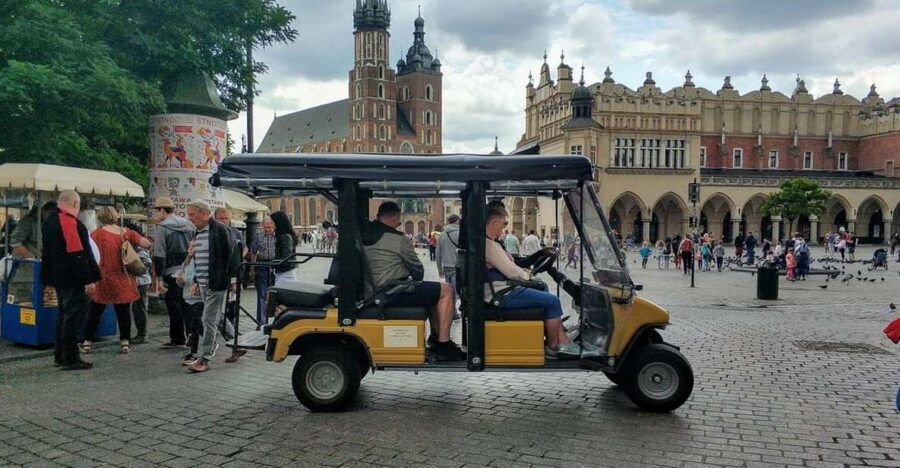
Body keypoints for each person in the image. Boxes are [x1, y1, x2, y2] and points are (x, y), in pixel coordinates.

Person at [362, 202, 464, 361]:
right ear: (394, 217)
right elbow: (417, 269)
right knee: (447, 290)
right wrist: (413, 277)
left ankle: (435, 337)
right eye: (398, 220)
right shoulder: (398, 238)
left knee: (432, 292)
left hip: (374, 289)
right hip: (392, 291)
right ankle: (443, 344)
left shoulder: (365, 235)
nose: (399, 224)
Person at [483, 205, 580, 358]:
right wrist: (528, 274)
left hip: (499, 288)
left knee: (542, 287)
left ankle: (559, 335)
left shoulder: (490, 242)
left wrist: (534, 264)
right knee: (553, 301)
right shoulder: (489, 245)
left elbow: (512, 266)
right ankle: (554, 346)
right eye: (504, 223)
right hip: (499, 293)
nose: (504, 227)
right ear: (495, 221)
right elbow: (512, 272)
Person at [41, 191, 101, 370]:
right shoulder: (67, 221)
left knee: (63, 316)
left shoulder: (50, 220)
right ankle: (71, 358)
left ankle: (60, 355)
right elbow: (76, 252)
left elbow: (48, 254)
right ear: (75, 204)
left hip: (60, 278)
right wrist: (88, 279)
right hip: (73, 279)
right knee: (73, 318)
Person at [81, 206, 151, 355]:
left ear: (100, 218)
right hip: (124, 278)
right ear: (116, 216)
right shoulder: (126, 232)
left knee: (95, 311)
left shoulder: (97, 234)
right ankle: (125, 342)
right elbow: (146, 243)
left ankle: (87, 342)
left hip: (103, 278)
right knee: (124, 312)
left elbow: (88, 252)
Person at [184, 201, 237, 373]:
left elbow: (231, 255)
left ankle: (205, 358)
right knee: (216, 317)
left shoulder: (219, 229)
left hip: (216, 282)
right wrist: (196, 280)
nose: (190, 218)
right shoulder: (198, 232)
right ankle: (237, 344)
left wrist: (233, 280)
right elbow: (200, 259)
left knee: (208, 319)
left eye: (192, 215)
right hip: (204, 283)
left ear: (203, 213)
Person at [151, 197, 195, 348]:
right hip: (188, 270)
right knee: (188, 304)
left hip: (171, 271)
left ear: (162, 210)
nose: (157, 214)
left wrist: (159, 278)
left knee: (174, 306)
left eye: (157, 210)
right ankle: (191, 336)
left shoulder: (162, 228)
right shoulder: (189, 225)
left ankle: (177, 338)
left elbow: (159, 254)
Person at [214, 207, 245, 340]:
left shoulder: (235, 232)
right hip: (219, 274)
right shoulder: (213, 232)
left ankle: (231, 327)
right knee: (218, 306)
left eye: (226, 218)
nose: (224, 221)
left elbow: (242, 250)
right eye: (221, 219)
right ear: (215, 218)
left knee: (232, 303)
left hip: (233, 273)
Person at [177, 241, 205, 366]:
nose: (190, 249)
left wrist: (187, 279)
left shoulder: (201, 262)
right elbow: (182, 277)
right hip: (187, 297)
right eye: (189, 247)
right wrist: (180, 281)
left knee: (195, 326)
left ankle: (194, 353)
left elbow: (198, 277)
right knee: (193, 326)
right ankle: (207, 344)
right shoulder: (186, 263)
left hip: (198, 299)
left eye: (193, 247)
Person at [125, 221, 153, 344]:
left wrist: (133, 269)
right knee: (137, 307)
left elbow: (146, 264)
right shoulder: (133, 244)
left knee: (139, 308)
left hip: (140, 281)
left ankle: (142, 334)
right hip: (138, 280)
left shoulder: (138, 245)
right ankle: (141, 334)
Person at [249, 217, 276, 326]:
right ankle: (261, 322)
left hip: (275, 265)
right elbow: (254, 252)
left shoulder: (278, 236)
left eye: (269, 227)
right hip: (261, 264)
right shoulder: (258, 235)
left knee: (275, 294)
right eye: (265, 227)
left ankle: (276, 322)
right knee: (261, 294)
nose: (267, 229)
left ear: (273, 226)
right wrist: (252, 268)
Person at [434, 214, 461, 296]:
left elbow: (438, 254)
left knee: (449, 292)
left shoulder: (442, 235)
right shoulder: (460, 234)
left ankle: (450, 304)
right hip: (457, 268)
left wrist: (439, 269)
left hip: (446, 267)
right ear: (457, 221)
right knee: (454, 292)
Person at [270, 211, 299, 286]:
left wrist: (274, 264)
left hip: (285, 273)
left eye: (273, 222)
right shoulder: (283, 236)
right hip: (282, 272)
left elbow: (286, 256)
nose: (272, 225)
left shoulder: (285, 236)